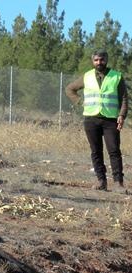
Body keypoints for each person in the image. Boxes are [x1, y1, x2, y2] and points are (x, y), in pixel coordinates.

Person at [65, 49, 129, 192]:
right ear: (92, 61)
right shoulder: (87, 76)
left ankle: (118, 183)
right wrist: (80, 102)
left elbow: (124, 98)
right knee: (96, 151)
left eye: (102, 59)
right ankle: (101, 181)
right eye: (96, 60)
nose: (99, 62)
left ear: (106, 60)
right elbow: (69, 89)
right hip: (91, 119)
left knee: (114, 151)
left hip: (111, 120)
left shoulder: (116, 76)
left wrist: (122, 115)